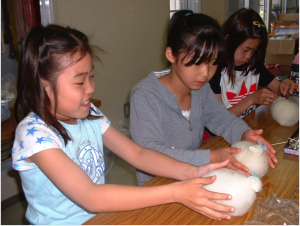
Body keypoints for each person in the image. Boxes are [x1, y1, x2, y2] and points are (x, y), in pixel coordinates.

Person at [12, 24, 243, 225]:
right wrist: (175, 192)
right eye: (80, 81)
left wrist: (192, 171)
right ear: (43, 84)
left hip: (101, 218)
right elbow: (91, 197)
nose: (91, 87)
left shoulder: (90, 113)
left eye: (91, 76)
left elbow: (138, 154)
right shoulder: (34, 135)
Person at [129, 10, 278, 187]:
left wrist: (244, 133)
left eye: (214, 62)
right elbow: (149, 153)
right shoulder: (145, 96)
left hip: (194, 179)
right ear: (171, 55)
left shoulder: (200, 89)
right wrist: (211, 156)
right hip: (158, 187)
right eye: (197, 62)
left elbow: (223, 120)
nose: (205, 73)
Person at [209, 8, 299, 119]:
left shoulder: (253, 66)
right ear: (228, 39)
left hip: (247, 128)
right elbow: (219, 120)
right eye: (246, 50)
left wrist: (287, 89)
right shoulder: (214, 71)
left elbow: (280, 91)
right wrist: (251, 99)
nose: (249, 56)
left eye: (254, 50)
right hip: (224, 134)